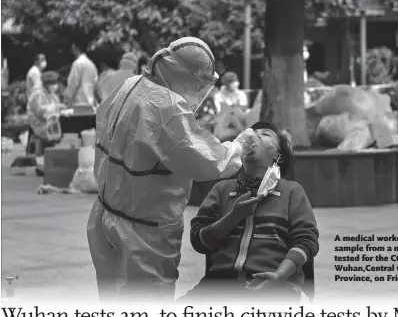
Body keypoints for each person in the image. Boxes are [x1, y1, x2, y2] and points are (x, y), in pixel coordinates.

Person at [87, 37, 260, 302]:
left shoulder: (130, 85)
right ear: (185, 76)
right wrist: (238, 146)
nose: (199, 89)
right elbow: (208, 161)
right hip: (144, 232)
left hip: (106, 215)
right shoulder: (166, 106)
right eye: (198, 82)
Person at [184, 121, 319, 303]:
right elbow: (199, 241)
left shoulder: (292, 191)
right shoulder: (221, 189)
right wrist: (233, 217)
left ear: (278, 155)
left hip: (276, 287)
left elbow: (306, 241)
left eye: (265, 134)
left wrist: (280, 276)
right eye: (253, 132)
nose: (254, 135)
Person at [26, 71, 63, 156]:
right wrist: (55, 108)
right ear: (46, 83)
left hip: (49, 121)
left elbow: (56, 104)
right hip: (40, 124)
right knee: (63, 130)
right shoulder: (37, 93)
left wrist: (59, 107)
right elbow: (41, 112)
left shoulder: (49, 93)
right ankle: (53, 155)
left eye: (55, 82)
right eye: (52, 83)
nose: (55, 85)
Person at [64, 42, 98, 106]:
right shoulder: (91, 64)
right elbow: (96, 82)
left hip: (79, 101)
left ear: (75, 49)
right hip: (91, 100)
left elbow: (73, 83)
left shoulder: (77, 63)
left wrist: (67, 98)